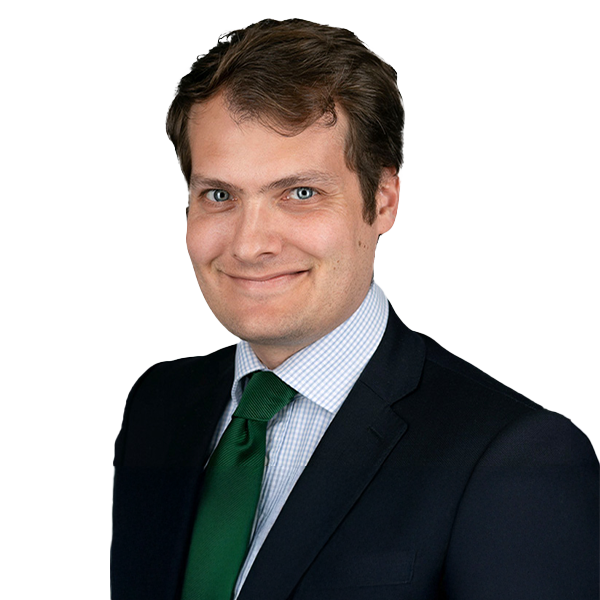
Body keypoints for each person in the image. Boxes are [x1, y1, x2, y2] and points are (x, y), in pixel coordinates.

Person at [111, 17, 600, 600]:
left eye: (300, 193)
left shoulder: (518, 461)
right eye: (219, 195)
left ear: (383, 200)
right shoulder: (158, 407)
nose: (249, 244)